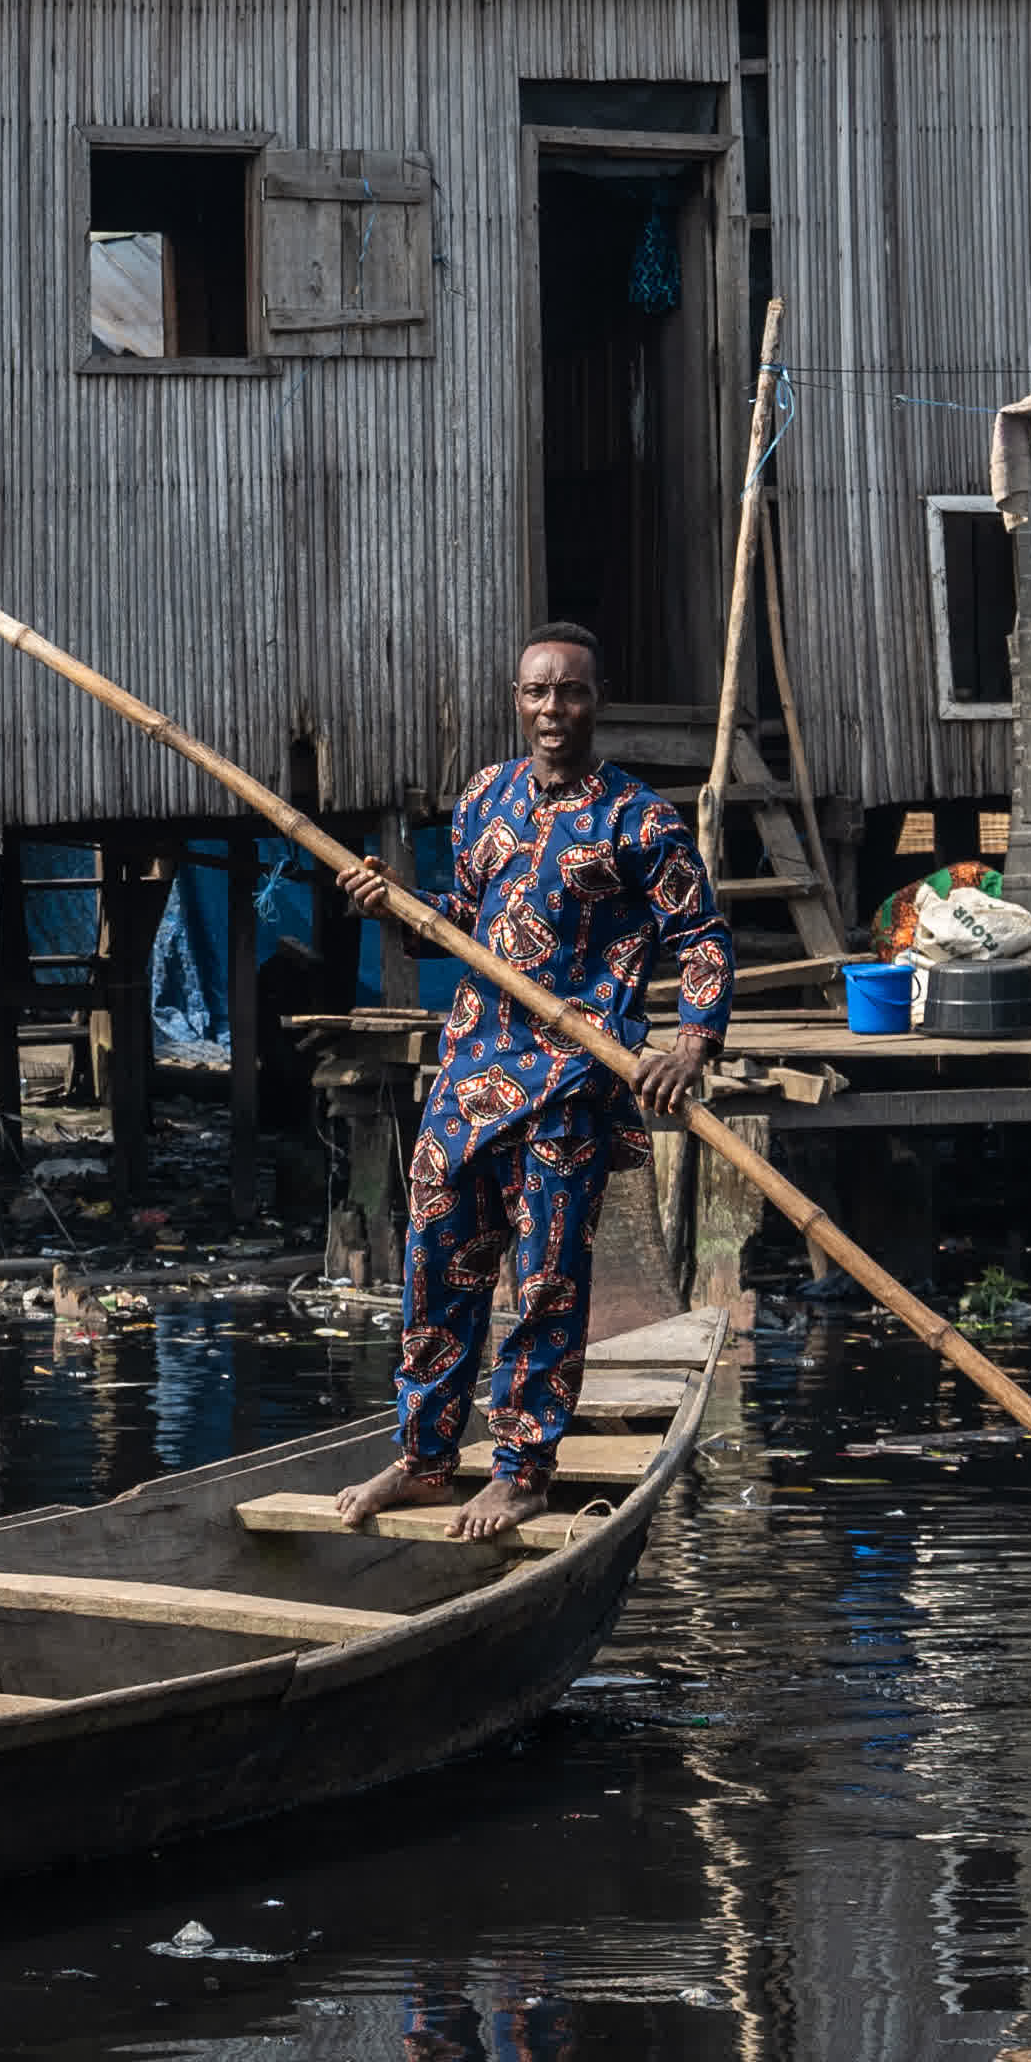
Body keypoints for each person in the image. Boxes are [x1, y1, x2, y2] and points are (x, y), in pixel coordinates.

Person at [328, 629, 726, 1540]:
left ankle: (522, 1471)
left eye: (573, 694)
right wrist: (392, 899)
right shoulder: (484, 796)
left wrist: (691, 1047)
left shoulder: (640, 820)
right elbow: (467, 922)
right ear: (518, 699)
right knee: (435, 1265)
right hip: (471, 1068)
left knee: (545, 1281)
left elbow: (701, 937)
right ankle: (427, 1459)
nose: (555, 712)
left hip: (572, 1079)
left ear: (599, 701)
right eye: (539, 694)